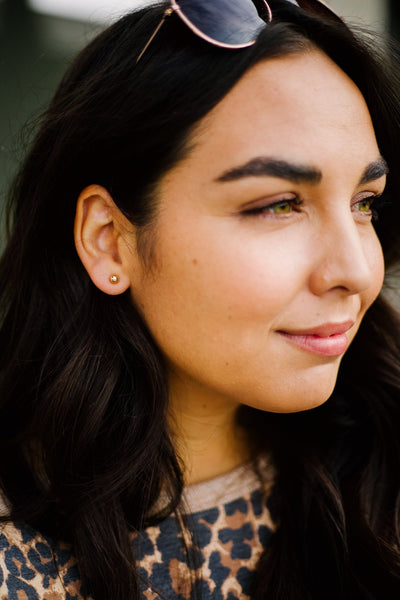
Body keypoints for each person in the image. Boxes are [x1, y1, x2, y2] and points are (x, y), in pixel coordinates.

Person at [0, 0, 400, 598]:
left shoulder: (382, 482)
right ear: (109, 241)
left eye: (364, 202)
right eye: (278, 205)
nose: (355, 271)